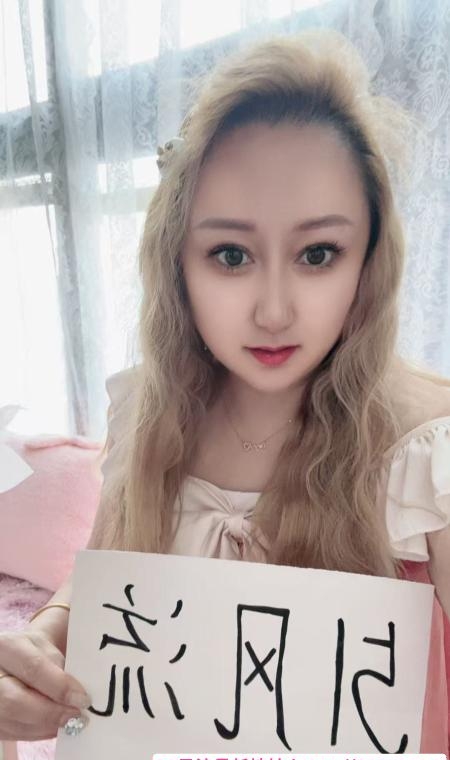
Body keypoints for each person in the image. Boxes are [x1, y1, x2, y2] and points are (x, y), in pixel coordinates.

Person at [1, 28, 449, 750]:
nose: (273, 311)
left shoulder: (429, 451)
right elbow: (106, 575)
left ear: (369, 260)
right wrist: (42, 641)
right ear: (178, 261)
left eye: (318, 253)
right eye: (231, 254)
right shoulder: (146, 412)